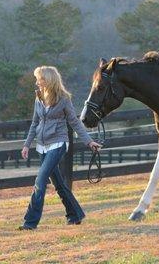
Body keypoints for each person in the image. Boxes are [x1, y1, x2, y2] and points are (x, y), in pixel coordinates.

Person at [19, 66, 102, 230]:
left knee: (40, 181)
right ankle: (75, 214)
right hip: (42, 146)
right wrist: (27, 144)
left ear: (48, 80)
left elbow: (75, 122)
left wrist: (88, 141)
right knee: (59, 184)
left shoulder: (64, 99)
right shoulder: (38, 97)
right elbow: (35, 123)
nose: (37, 82)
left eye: (39, 79)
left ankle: (30, 222)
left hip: (58, 143)